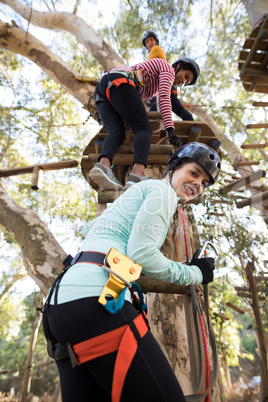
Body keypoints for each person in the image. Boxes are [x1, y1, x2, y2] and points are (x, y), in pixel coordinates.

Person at [42, 142, 221, 402]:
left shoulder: (132, 199)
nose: (198, 185)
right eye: (194, 173)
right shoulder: (162, 192)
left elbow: (127, 254)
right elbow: (143, 255)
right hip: (95, 302)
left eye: (204, 183)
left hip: (59, 309)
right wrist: (197, 273)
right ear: (174, 167)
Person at [89, 55, 198, 191]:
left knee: (117, 132)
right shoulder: (168, 69)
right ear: (179, 66)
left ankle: (103, 167)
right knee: (144, 129)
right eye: (186, 76)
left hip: (103, 90)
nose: (183, 82)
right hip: (121, 82)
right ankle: (137, 174)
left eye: (187, 83)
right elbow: (164, 97)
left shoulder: (154, 82)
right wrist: (170, 129)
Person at [142, 30, 198, 121]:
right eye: (147, 42)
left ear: (156, 41)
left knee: (154, 105)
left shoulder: (156, 49)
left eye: (151, 40)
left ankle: (152, 123)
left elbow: (147, 67)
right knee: (178, 108)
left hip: (162, 83)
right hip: (170, 85)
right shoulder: (157, 52)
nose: (149, 43)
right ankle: (190, 121)